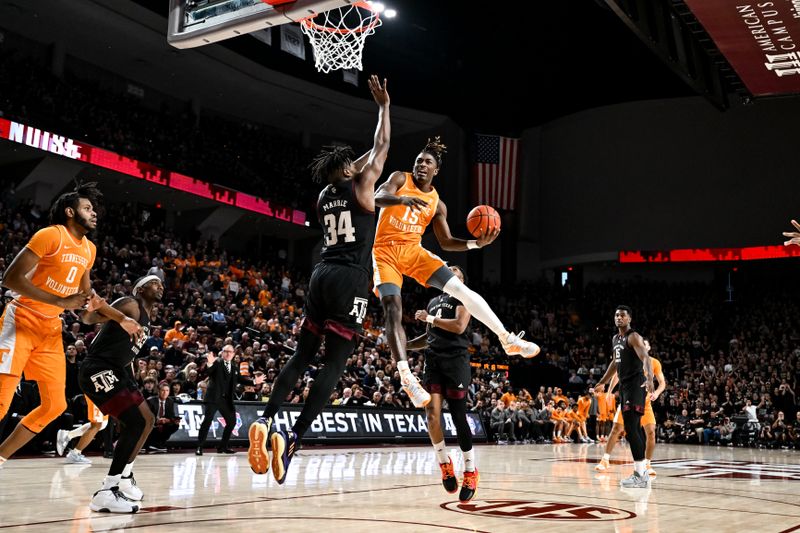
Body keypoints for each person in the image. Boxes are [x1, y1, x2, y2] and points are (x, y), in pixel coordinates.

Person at [247, 75, 390, 483]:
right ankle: (294, 437)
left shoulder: (326, 194)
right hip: (349, 278)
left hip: (320, 273)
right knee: (335, 364)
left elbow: (361, 162)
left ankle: (268, 417)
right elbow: (380, 149)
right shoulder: (363, 188)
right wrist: (383, 109)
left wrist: (353, 160)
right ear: (346, 170)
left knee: (301, 356)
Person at [372, 138, 541, 407]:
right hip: (385, 253)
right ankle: (407, 378)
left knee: (461, 291)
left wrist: (477, 244)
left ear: (436, 170)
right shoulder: (398, 179)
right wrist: (401, 199)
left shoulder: (436, 203)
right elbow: (376, 197)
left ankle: (506, 338)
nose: (421, 165)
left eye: (428, 162)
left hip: (413, 252)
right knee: (392, 306)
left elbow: (447, 242)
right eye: (418, 161)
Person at [0, 183, 142, 468]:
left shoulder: (89, 250)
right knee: (2, 401)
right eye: (87, 208)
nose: (94, 214)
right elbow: (10, 278)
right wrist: (61, 300)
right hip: (22, 317)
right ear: (70, 211)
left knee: (55, 405)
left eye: (94, 209)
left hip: (50, 328)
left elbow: (88, 304)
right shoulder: (51, 235)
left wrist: (121, 319)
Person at [77, 274, 162, 513]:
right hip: (98, 368)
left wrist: (131, 371)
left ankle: (125, 477)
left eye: (162, 284)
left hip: (119, 369)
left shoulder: (147, 317)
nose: (161, 287)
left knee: (147, 420)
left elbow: (125, 349)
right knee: (134, 422)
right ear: (140, 289)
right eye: (155, 283)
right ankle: (107, 491)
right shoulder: (130, 304)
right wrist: (90, 308)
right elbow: (88, 317)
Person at [407, 265, 479, 503]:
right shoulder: (434, 301)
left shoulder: (464, 296)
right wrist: (403, 345)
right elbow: (429, 337)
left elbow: (459, 326)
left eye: (456, 268)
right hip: (433, 360)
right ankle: (444, 463)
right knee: (432, 414)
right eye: (448, 267)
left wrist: (430, 318)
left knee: (459, 418)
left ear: (461, 278)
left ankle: (470, 470)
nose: (450, 269)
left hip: (456, 360)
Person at [592, 306, 654, 488]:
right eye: (616, 315)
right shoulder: (615, 339)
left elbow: (646, 358)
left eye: (623, 315)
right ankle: (641, 474)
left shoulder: (633, 336)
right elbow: (615, 362)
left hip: (636, 386)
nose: (619, 317)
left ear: (629, 319)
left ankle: (640, 474)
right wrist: (602, 381)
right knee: (632, 428)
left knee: (631, 428)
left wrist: (650, 378)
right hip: (625, 387)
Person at [595, 339, 666, 477]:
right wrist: (609, 392)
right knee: (616, 429)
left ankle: (647, 463)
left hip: (645, 403)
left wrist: (656, 393)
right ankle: (605, 460)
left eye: (644, 345)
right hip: (628, 399)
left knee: (651, 432)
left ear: (648, 347)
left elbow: (662, 382)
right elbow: (616, 375)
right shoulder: (628, 360)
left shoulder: (654, 363)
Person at [196, 345, 261, 455]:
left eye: (230, 352)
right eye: (226, 351)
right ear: (222, 352)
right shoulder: (217, 362)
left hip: (226, 400)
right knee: (207, 421)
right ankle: (199, 447)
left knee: (232, 422)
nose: (228, 353)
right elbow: (208, 372)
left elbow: (241, 379)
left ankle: (222, 447)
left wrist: (254, 382)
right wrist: (209, 363)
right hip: (213, 398)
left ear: (233, 354)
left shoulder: (234, 366)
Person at [56, 395, 108, 464]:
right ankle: (75, 454)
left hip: (104, 391)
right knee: (97, 424)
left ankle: (68, 435)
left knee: (103, 423)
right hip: (97, 391)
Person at [146, 383, 181, 451]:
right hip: (152, 422)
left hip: (164, 423)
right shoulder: (150, 401)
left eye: (167, 390)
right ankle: (150, 444)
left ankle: (160, 443)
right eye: (163, 390)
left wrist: (170, 420)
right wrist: (157, 421)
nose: (165, 393)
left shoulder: (170, 401)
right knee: (153, 425)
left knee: (174, 425)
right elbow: (147, 416)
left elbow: (171, 415)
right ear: (158, 391)